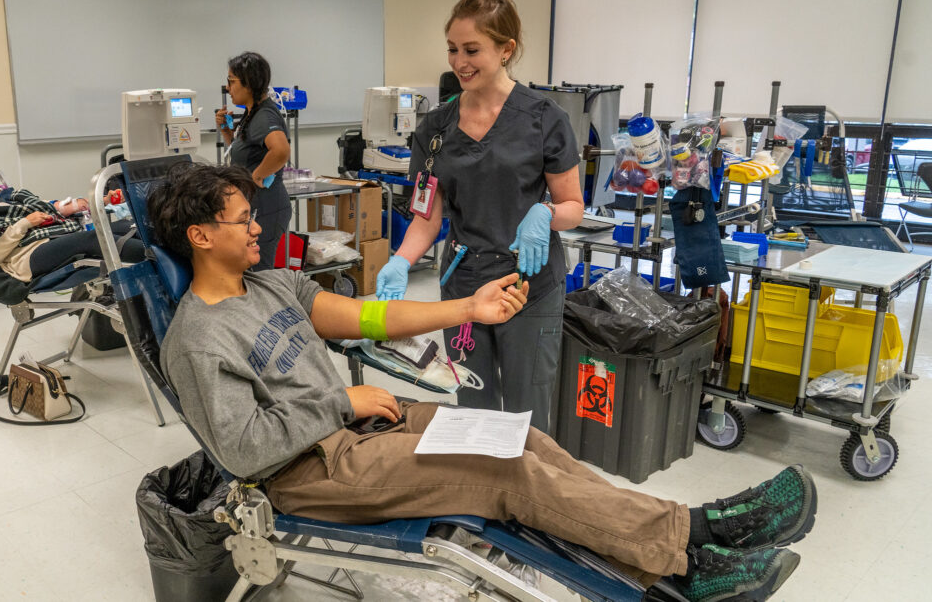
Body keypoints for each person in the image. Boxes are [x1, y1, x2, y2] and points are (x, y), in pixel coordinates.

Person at [150, 162, 815, 602]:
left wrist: (464, 309)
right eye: (244, 220)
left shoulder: (268, 283)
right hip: (311, 468)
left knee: (523, 441)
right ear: (202, 235)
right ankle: (699, 536)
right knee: (503, 477)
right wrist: (337, 400)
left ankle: (678, 569)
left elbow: (362, 316)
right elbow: (240, 448)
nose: (259, 224)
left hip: (358, 424)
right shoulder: (199, 339)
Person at [376, 0, 584, 433]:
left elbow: (573, 206)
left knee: (529, 411)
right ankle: (483, 499)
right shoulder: (435, 128)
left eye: (472, 49)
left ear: (506, 49)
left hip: (527, 284)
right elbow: (427, 216)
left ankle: (528, 498)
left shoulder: (545, 118)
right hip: (464, 285)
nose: (459, 62)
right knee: (474, 401)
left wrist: (545, 213)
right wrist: (400, 260)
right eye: (453, 49)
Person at [0, 158, 143, 287]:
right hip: (26, 259)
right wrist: (24, 224)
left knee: (124, 226)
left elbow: (62, 207)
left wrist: (104, 200)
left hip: (54, 240)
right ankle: (153, 257)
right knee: (92, 238)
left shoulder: (16, 201)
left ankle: (164, 250)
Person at [216, 51, 292, 271]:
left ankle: (271, 307)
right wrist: (227, 132)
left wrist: (256, 177)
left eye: (231, 81)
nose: (228, 88)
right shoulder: (252, 113)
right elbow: (246, 153)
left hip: (267, 207)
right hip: (258, 205)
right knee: (249, 269)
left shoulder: (264, 116)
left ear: (248, 83)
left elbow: (280, 151)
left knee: (260, 273)